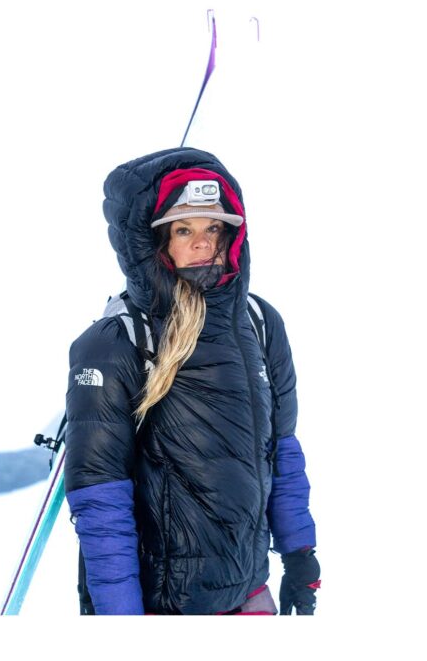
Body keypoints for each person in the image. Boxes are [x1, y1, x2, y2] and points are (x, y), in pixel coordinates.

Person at [64, 147, 320, 615]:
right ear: (155, 240)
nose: (204, 244)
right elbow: (102, 501)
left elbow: (283, 451)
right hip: (163, 609)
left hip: (250, 593)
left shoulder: (261, 323)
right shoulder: (116, 341)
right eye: (185, 229)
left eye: (214, 228)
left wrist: (301, 556)